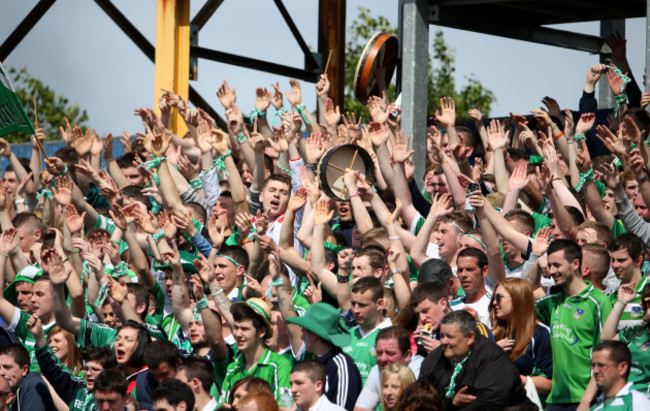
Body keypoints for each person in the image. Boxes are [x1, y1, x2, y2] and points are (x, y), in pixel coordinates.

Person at [536, 240, 613, 410]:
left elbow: (606, 354)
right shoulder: (552, 302)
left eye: (557, 265)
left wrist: (586, 400)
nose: (551, 271)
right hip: (555, 399)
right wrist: (536, 263)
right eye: (549, 266)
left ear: (575, 264)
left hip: (586, 399)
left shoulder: (598, 302)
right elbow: (519, 299)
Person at [419, 311, 531, 410]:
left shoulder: (494, 358)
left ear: (470, 337)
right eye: (442, 336)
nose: (443, 342)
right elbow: (421, 400)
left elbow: (492, 403)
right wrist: (452, 402)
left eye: (450, 336)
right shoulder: (432, 361)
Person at [218, 298, 292, 409]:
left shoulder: (280, 365)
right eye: (236, 328)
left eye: (244, 329)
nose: (238, 334)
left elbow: (285, 407)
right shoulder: (232, 368)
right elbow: (223, 407)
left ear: (262, 332)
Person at [489, 278, 553, 396]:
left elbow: (550, 384)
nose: (493, 302)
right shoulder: (492, 334)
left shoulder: (540, 334)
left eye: (498, 297)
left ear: (517, 299)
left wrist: (517, 379)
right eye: (493, 298)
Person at [354, 326, 424, 411]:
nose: (383, 359)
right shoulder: (378, 370)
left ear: (407, 355)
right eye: (379, 353)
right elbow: (360, 409)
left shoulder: (420, 368)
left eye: (390, 353)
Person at [601, 282, 650, 397]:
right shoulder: (638, 330)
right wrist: (621, 302)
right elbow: (606, 337)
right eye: (645, 302)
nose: (647, 306)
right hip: (624, 398)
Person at [589, 341, 650, 410]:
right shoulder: (594, 408)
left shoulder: (636, 402)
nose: (595, 371)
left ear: (622, 367)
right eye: (593, 366)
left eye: (601, 365)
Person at [609, 233, 649, 329]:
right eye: (613, 260)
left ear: (638, 261)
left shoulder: (648, 291)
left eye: (621, 260)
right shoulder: (612, 297)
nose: (615, 265)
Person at [0, 343, 55, 411]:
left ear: (24, 370)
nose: (1, 373)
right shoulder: (9, 389)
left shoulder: (33, 384)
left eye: (7, 367)